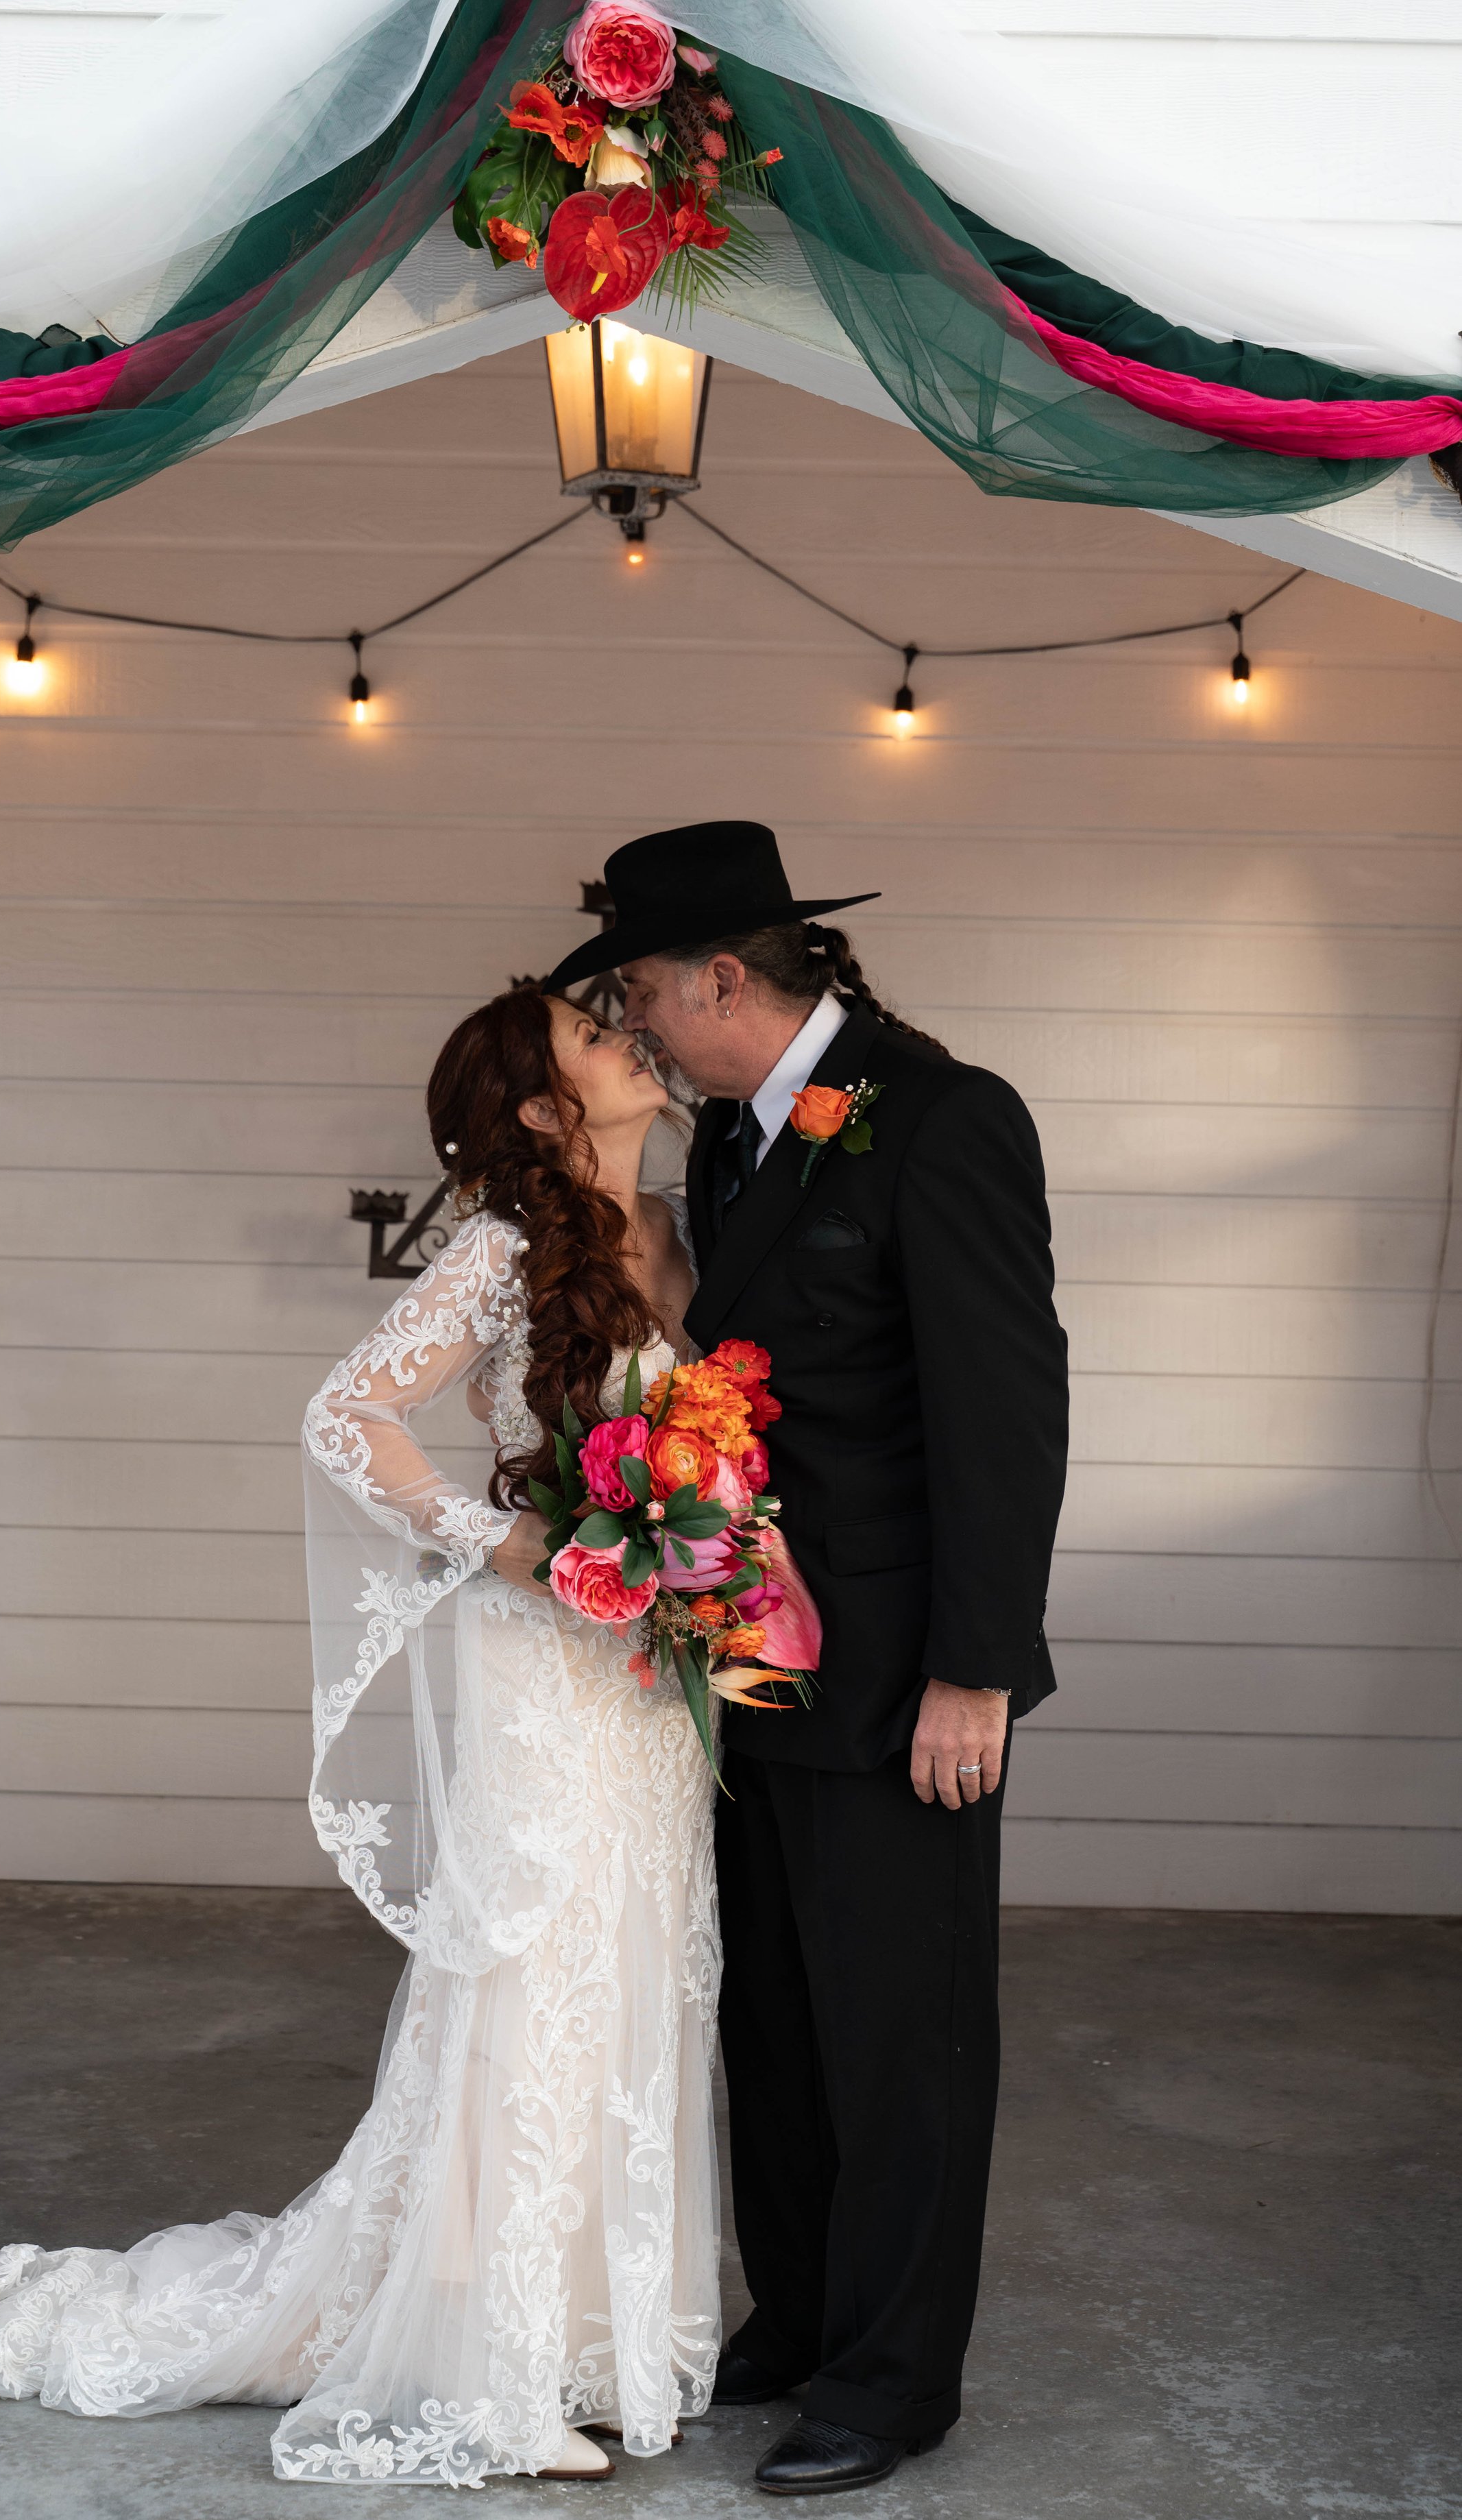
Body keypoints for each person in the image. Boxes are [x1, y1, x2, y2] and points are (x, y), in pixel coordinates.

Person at [0, 986, 721, 2487]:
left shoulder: (671, 1228)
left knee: (630, 1974)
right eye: (592, 1039)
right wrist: (506, 1543)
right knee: (530, 1988)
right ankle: (489, 2363)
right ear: (543, 1110)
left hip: (649, 1673)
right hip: (544, 1663)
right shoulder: (502, 1248)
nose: (626, 1042)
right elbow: (346, 1416)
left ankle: (591, 2334)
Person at [547, 819, 1069, 2497]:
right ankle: (800, 2317)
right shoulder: (735, 1131)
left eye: (638, 991)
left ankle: (891, 2379)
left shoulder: (941, 1115)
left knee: (898, 2035)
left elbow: (1003, 1412)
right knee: (770, 2016)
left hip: (902, 1676)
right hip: (749, 1655)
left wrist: (975, 1671)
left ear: (720, 978)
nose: (631, 1026)